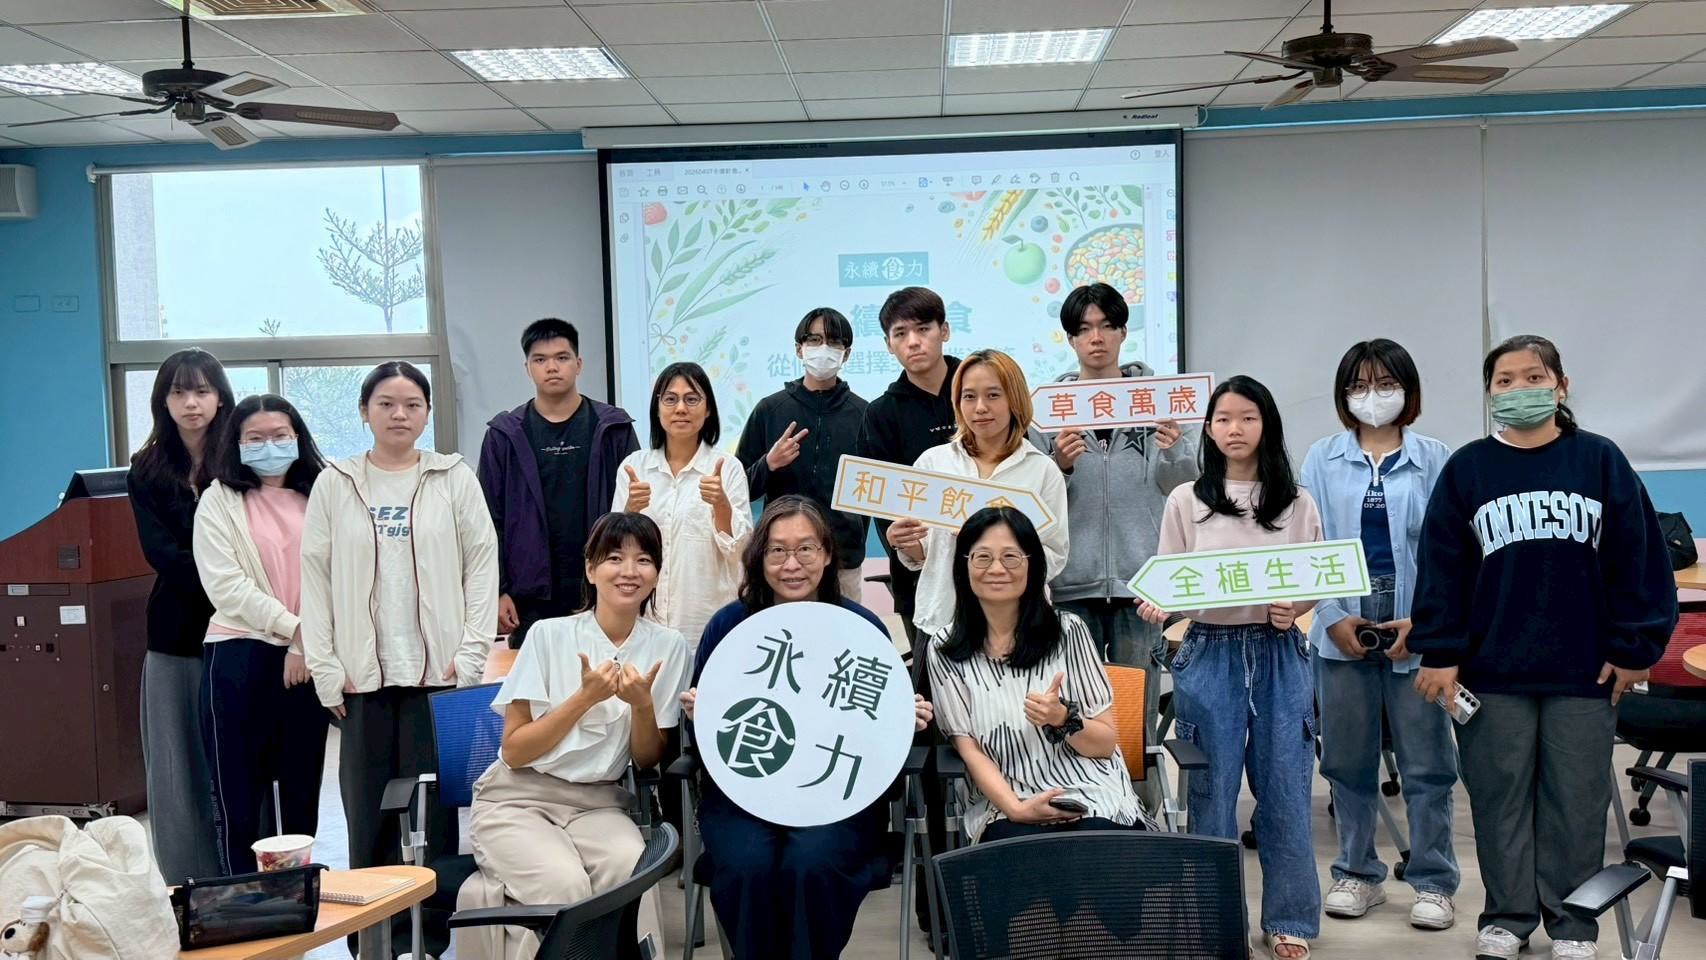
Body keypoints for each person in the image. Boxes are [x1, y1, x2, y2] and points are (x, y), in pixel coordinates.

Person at [1411, 335, 1676, 960]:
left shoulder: (1599, 460)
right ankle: (1506, 918)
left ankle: (1574, 925)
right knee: (1498, 799)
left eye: (1533, 377)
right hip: (1490, 673)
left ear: (1560, 385)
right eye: (1504, 380)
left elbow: (1639, 558)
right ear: (1489, 392)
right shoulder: (1469, 468)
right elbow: (1443, 568)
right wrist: (1441, 651)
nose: (1519, 389)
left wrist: (1635, 646)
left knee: (1576, 804)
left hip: (1585, 670)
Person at [299, 360, 498, 957]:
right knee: (369, 814)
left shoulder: (452, 477)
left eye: (412, 404)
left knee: (431, 815)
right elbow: (315, 579)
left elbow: (481, 567)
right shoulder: (336, 482)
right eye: (386, 403)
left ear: (427, 413)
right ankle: (372, 938)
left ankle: (429, 936)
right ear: (364, 411)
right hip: (361, 678)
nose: (399, 414)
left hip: (439, 676)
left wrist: (471, 654)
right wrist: (325, 665)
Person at [679, 496, 933, 960]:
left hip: (838, 792)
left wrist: (903, 719)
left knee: (812, 863)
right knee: (748, 865)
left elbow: (877, 735)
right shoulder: (729, 626)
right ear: (759, 559)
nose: (791, 564)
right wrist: (702, 715)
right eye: (777, 551)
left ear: (828, 554)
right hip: (746, 792)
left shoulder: (860, 628)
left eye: (805, 549)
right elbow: (709, 740)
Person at [1137, 375, 1324, 960]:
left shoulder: (1296, 500)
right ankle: (1214, 920)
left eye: (1247, 417)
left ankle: (1289, 919)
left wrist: (1296, 606)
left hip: (1279, 653)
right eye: (1223, 419)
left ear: (1267, 425)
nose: (1234, 429)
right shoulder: (1185, 499)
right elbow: (1169, 580)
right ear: (1209, 428)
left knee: (1285, 790)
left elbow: (1318, 578)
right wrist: (1160, 605)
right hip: (1209, 651)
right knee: (1211, 794)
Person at [459, 512, 689, 960]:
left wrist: (642, 706)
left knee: (630, 874)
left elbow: (646, 760)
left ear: (657, 573)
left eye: (644, 560)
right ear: (590, 568)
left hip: (599, 803)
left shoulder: (669, 646)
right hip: (517, 799)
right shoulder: (548, 636)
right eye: (614, 558)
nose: (629, 571)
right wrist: (583, 699)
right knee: (564, 887)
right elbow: (515, 751)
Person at [1299, 340, 1460, 931]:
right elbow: (1306, 543)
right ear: (1344, 395)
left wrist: (1427, 622)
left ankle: (1434, 881)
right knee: (1346, 760)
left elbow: (1452, 550)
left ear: (1407, 390)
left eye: (1385, 383)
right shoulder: (1321, 458)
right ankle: (1356, 873)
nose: (1373, 396)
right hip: (1343, 620)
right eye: (1360, 386)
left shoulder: (1435, 457)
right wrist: (1331, 615)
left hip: (1415, 620)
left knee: (1427, 763)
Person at [1027, 282, 1199, 813]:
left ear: (1124, 332)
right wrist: (1059, 465)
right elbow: (1033, 498)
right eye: (1083, 329)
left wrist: (1175, 449)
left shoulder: (1158, 401)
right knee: (1070, 709)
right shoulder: (1047, 409)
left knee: (1135, 716)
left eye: (1106, 326)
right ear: (1070, 340)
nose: (1096, 338)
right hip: (1070, 584)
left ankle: (1138, 816)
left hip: (1138, 584)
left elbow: (1183, 486)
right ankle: (1080, 809)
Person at [929, 505, 1148, 843]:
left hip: (1090, 792)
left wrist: (1062, 719)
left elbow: (1105, 744)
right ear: (964, 566)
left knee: (1096, 849)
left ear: (1032, 565)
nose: (997, 569)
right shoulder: (945, 648)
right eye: (983, 557)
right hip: (1003, 802)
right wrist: (1016, 809)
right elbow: (969, 749)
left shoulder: (1068, 631)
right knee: (1023, 853)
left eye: (1011, 557)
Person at [192, 394, 329, 875]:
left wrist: (305, 642)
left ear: (298, 438)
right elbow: (226, 586)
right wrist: (296, 630)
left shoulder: (324, 494)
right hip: (239, 653)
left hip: (308, 656)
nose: (269, 446)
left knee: (301, 789)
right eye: (255, 438)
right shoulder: (218, 500)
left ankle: (299, 894)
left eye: (279, 436)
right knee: (238, 796)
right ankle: (243, 898)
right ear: (235, 443)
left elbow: (341, 575)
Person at [126, 348, 234, 886]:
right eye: (179, 392)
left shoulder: (240, 458)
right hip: (176, 631)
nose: (192, 403)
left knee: (235, 758)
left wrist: (239, 596)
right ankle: (188, 881)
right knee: (176, 763)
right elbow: (161, 552)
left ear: (220, 398)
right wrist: (226, 582)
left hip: (241, 627)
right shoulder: (146, 468)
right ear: (163, 401)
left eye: (202, 391)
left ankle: (244, 870)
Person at [479, 318, 640, 647]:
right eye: (540, 359)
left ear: (578, 364)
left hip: (603, 587)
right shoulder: (504, 435)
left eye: (562, 357)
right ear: (527, 368)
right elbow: (488, 520)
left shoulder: (614, 428)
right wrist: (498, 590)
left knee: (608, 675)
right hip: (530, 596)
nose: (552, 367)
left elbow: (636, 517)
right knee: (535, 679)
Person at [890, 348, 1069, 638]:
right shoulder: (933, 463)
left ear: (1015, 400)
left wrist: (1000, 553)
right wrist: (905, 542)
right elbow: (923, 552)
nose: (980, 407)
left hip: (1015, 626)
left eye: (993, 395)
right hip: (942, 619)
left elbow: (1055, 553)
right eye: (969, 396)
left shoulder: (1042, 470)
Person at [735, 307, 871, 602]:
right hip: (783, 561)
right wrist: (769, 464)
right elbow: (738, 489)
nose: (824, 349)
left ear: (846, 354)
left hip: (842, 561)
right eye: (814, 340)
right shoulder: (769, 410)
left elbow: (876, 493)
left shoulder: (865, 414)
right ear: (799, 349)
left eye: (834, 342)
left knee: (843, 629)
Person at [612, 361, 751, 648]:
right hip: (644, 620)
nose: (680, 409)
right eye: (670, 399)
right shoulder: (634, 467)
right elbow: (612, 551)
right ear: (657, 408)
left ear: (708, 409)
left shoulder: (728, 468)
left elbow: (740, 552)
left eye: (692, 399)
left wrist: (721, 505)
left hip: (705, 621)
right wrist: (630, 511)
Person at [858, 287, 961, 645]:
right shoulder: (881, 414)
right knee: (932, 677)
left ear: (944, 331)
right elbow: (883, 505)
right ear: (888, 344)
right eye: (900, 333)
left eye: (923, 329)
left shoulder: (983, 390)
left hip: (992, 570)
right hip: (920, 580)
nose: (913, 342)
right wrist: (912, 550)